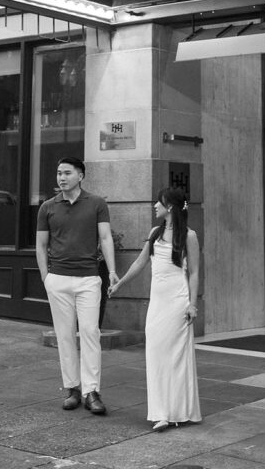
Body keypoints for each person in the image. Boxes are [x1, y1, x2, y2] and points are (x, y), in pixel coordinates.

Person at [109, 187, 201, 431]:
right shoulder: (155, 232)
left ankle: (175, 412)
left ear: (170, 207)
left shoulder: (189, 236)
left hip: (178, 300)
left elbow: (194, 272)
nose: (154, 206)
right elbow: (140, 263)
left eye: (159, 203)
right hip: (158, 304)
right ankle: (160, 412)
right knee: (156, 355)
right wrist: (119, 284)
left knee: (176, 357)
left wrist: (193, 304)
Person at [36, 156, 119, 415]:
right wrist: (45, 277)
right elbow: (40, 245)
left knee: (90, 332)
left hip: (88, 278)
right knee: (64, 335)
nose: (61, 177)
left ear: (80, 175)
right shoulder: (48, 207)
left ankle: (91, 391)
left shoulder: (96, 203)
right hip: (58, 279)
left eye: (67, 173)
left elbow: (105, 237)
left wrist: (113, 271)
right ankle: (72, 388)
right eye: (59, 173)